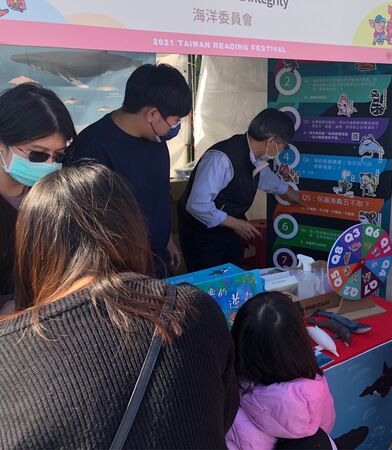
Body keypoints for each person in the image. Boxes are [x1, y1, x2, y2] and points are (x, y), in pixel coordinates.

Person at [0, 164, 238, 448]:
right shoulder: (193, 311)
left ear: (32, 247)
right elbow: (223, 413)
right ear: (132, 228)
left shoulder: (9, 351)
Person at [68, 63, 192, 276]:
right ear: (152, 114)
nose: (175, 128)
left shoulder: (156, 139)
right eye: (175, 121)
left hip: (158, 259)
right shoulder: (91, 148)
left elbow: (159, 193)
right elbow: (86, 226)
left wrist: (167, 239)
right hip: (119, 270)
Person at [178, 108, 302, 272]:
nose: (281, 152)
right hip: (201, 233)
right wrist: (236, 224)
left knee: (233, 275)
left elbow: (265, 177)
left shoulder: (254, 155)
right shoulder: (220, 159)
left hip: (228, 228)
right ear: (271, 141)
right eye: (283, 146)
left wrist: (288, 191)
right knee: (209, 280)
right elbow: (197, 205)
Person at [226, 291, 335, 450]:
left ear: (238, 342)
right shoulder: (317, 385)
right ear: (300, 340)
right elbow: (326, 425)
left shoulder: (230, 403)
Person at [0, 83, 75, 312]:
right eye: (38, 155)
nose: (49, 164)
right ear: (2, 147)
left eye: (58, 156)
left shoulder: (56, 198)